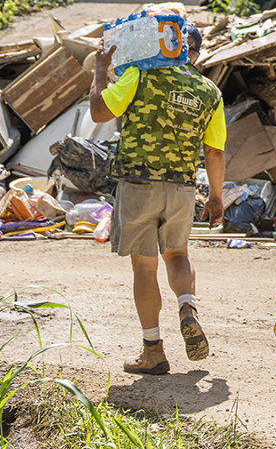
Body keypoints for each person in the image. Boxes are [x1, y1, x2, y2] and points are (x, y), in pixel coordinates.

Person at [91, 22, 227, 376]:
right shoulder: (209, 92)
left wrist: (100, 69)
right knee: (178, 255)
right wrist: (215, 197)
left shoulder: (140, 73)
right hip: (182, 188)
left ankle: (153, 351)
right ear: (195, 52)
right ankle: (187, 308)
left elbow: (99, 113)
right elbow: (214, 152)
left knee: (144, 266)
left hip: (138, 184)